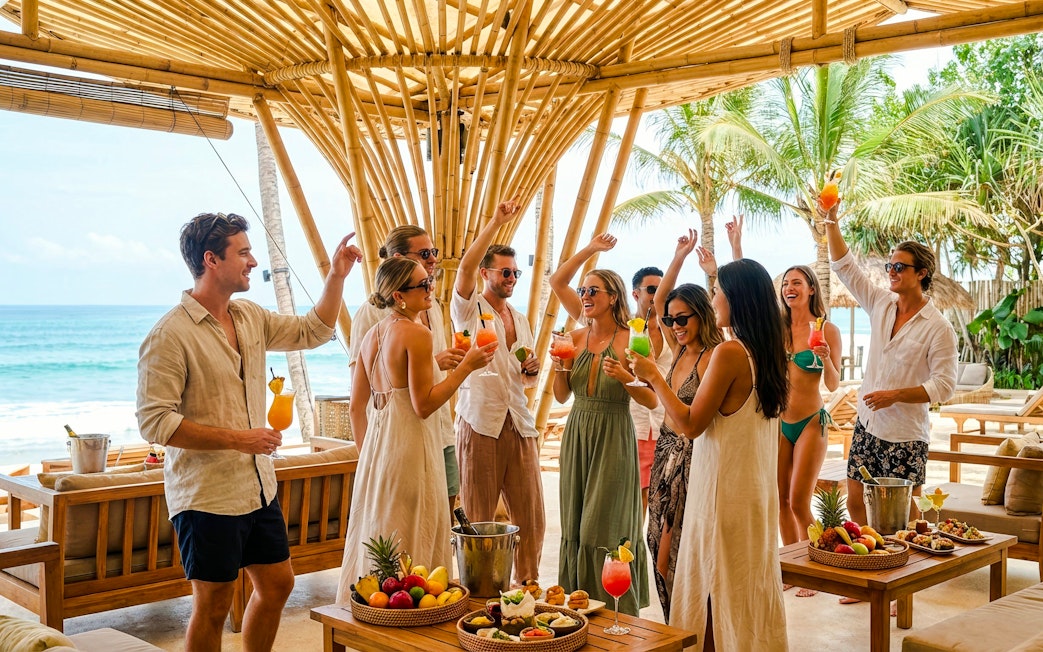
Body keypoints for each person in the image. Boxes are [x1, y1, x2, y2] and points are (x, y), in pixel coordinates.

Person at [136, 212, 362, 652]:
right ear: (211, 260)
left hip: (258, 487)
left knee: (278, 583)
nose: (253, 261)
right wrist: (239, 439)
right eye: (243, 253)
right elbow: (155, 422)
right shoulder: (169, 335)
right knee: (214, 604)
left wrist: (336, 276)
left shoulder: (249, 316)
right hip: (206, 495)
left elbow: (314, 330)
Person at [635, 257, 789, 652]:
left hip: (721, 493)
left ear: (737, 298)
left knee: (710, 589)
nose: (714, 298)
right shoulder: (769, 352)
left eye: (718, 291)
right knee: (745, 589)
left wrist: (653, 376)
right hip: (754, 492)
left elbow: (691, 424)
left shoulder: (730, 353)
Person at [337, 257, 496, 599]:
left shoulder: (371, 336)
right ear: (398, 296)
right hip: (411, 447)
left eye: (429, 280)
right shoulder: (417, 334)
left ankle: (376, 608)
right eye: (422, 284)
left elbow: (356, 408)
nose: (430, 288)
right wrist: (466, 366)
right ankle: (416, 614)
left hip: (378, 451)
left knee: (381, 529)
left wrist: (369, 459)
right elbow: (423, 405)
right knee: (416, 529)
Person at [822, 203, 957, 541]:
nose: (891, 272)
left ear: (921, 273)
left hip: (905, 435)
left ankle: (906, 569)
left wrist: (895, 395)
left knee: (905, 515)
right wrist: (832, 221)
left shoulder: (938, 327)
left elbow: (944, 386)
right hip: (867, 425)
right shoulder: (880, 304)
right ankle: (870, 559)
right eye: (890, 266)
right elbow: (846, 267)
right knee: (855, 501)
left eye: (899, 267)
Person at [549, 233, 655, 616]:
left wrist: (626, 377)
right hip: (577, 432)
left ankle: (615, 611)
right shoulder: (574, 337)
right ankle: (579, 609)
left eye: (593, 290)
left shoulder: (633, 339)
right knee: (575, 524)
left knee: (602, 526)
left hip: (613, 435)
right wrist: (558, 366)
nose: (585, 296)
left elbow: (651, 398)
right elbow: (562, 395)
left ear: (613, 297)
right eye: (583, 290)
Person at [450, 199, 545, 585]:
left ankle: (528, 590)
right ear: (486, 273)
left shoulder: (520, 319)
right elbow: (464, 269)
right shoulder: (468, 311)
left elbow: (523, 380)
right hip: (480, 422)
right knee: (478, 522)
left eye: (516, 272)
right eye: (505, 272)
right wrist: (495, 222)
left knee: (532, 519)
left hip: (518, 423)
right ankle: (479, 594)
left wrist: (531, 371)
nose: (512, 278)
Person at [631, 229, 723, 620]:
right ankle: (677, 622)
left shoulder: (714, 356)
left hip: (693, 458)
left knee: (677, 551)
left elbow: (696, 421)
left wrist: (653, 377)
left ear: (703, 314)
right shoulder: (679, 347)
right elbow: (658, 303)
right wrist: (679, 257)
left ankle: (693, 626)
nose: (674, 324)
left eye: (683, 318)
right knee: (655, 542)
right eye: (671, 319)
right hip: (665, 453)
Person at [348, 225, 463, 510]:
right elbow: (362, 392)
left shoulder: (431, 305)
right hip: (397, 437)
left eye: (433, 251)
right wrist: (368, 459)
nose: (433, 259)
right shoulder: (371, 315)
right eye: (424, 253)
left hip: (440, 429)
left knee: (442, 514)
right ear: (398, 257)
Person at [777, 264, 841, 596]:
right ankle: (792, 568)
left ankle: (815, 571)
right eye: (786, 283)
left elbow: (833, 383)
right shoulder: (777, 328)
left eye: (797, 283)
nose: (790, 288)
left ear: (811, 288)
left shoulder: (826, 329)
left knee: (800, 502)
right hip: (778, 422)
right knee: (780, 500)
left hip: (811, 422)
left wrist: (826, 358)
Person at [629, 265, 671, 515]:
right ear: (636, 294)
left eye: (664, 289)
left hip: (667, 421)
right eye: (652, 289)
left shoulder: (673, 328)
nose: (658, 295)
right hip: (636, 422)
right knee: (637, 498)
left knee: (664, 501)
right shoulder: (626, 328)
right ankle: (633, 541)